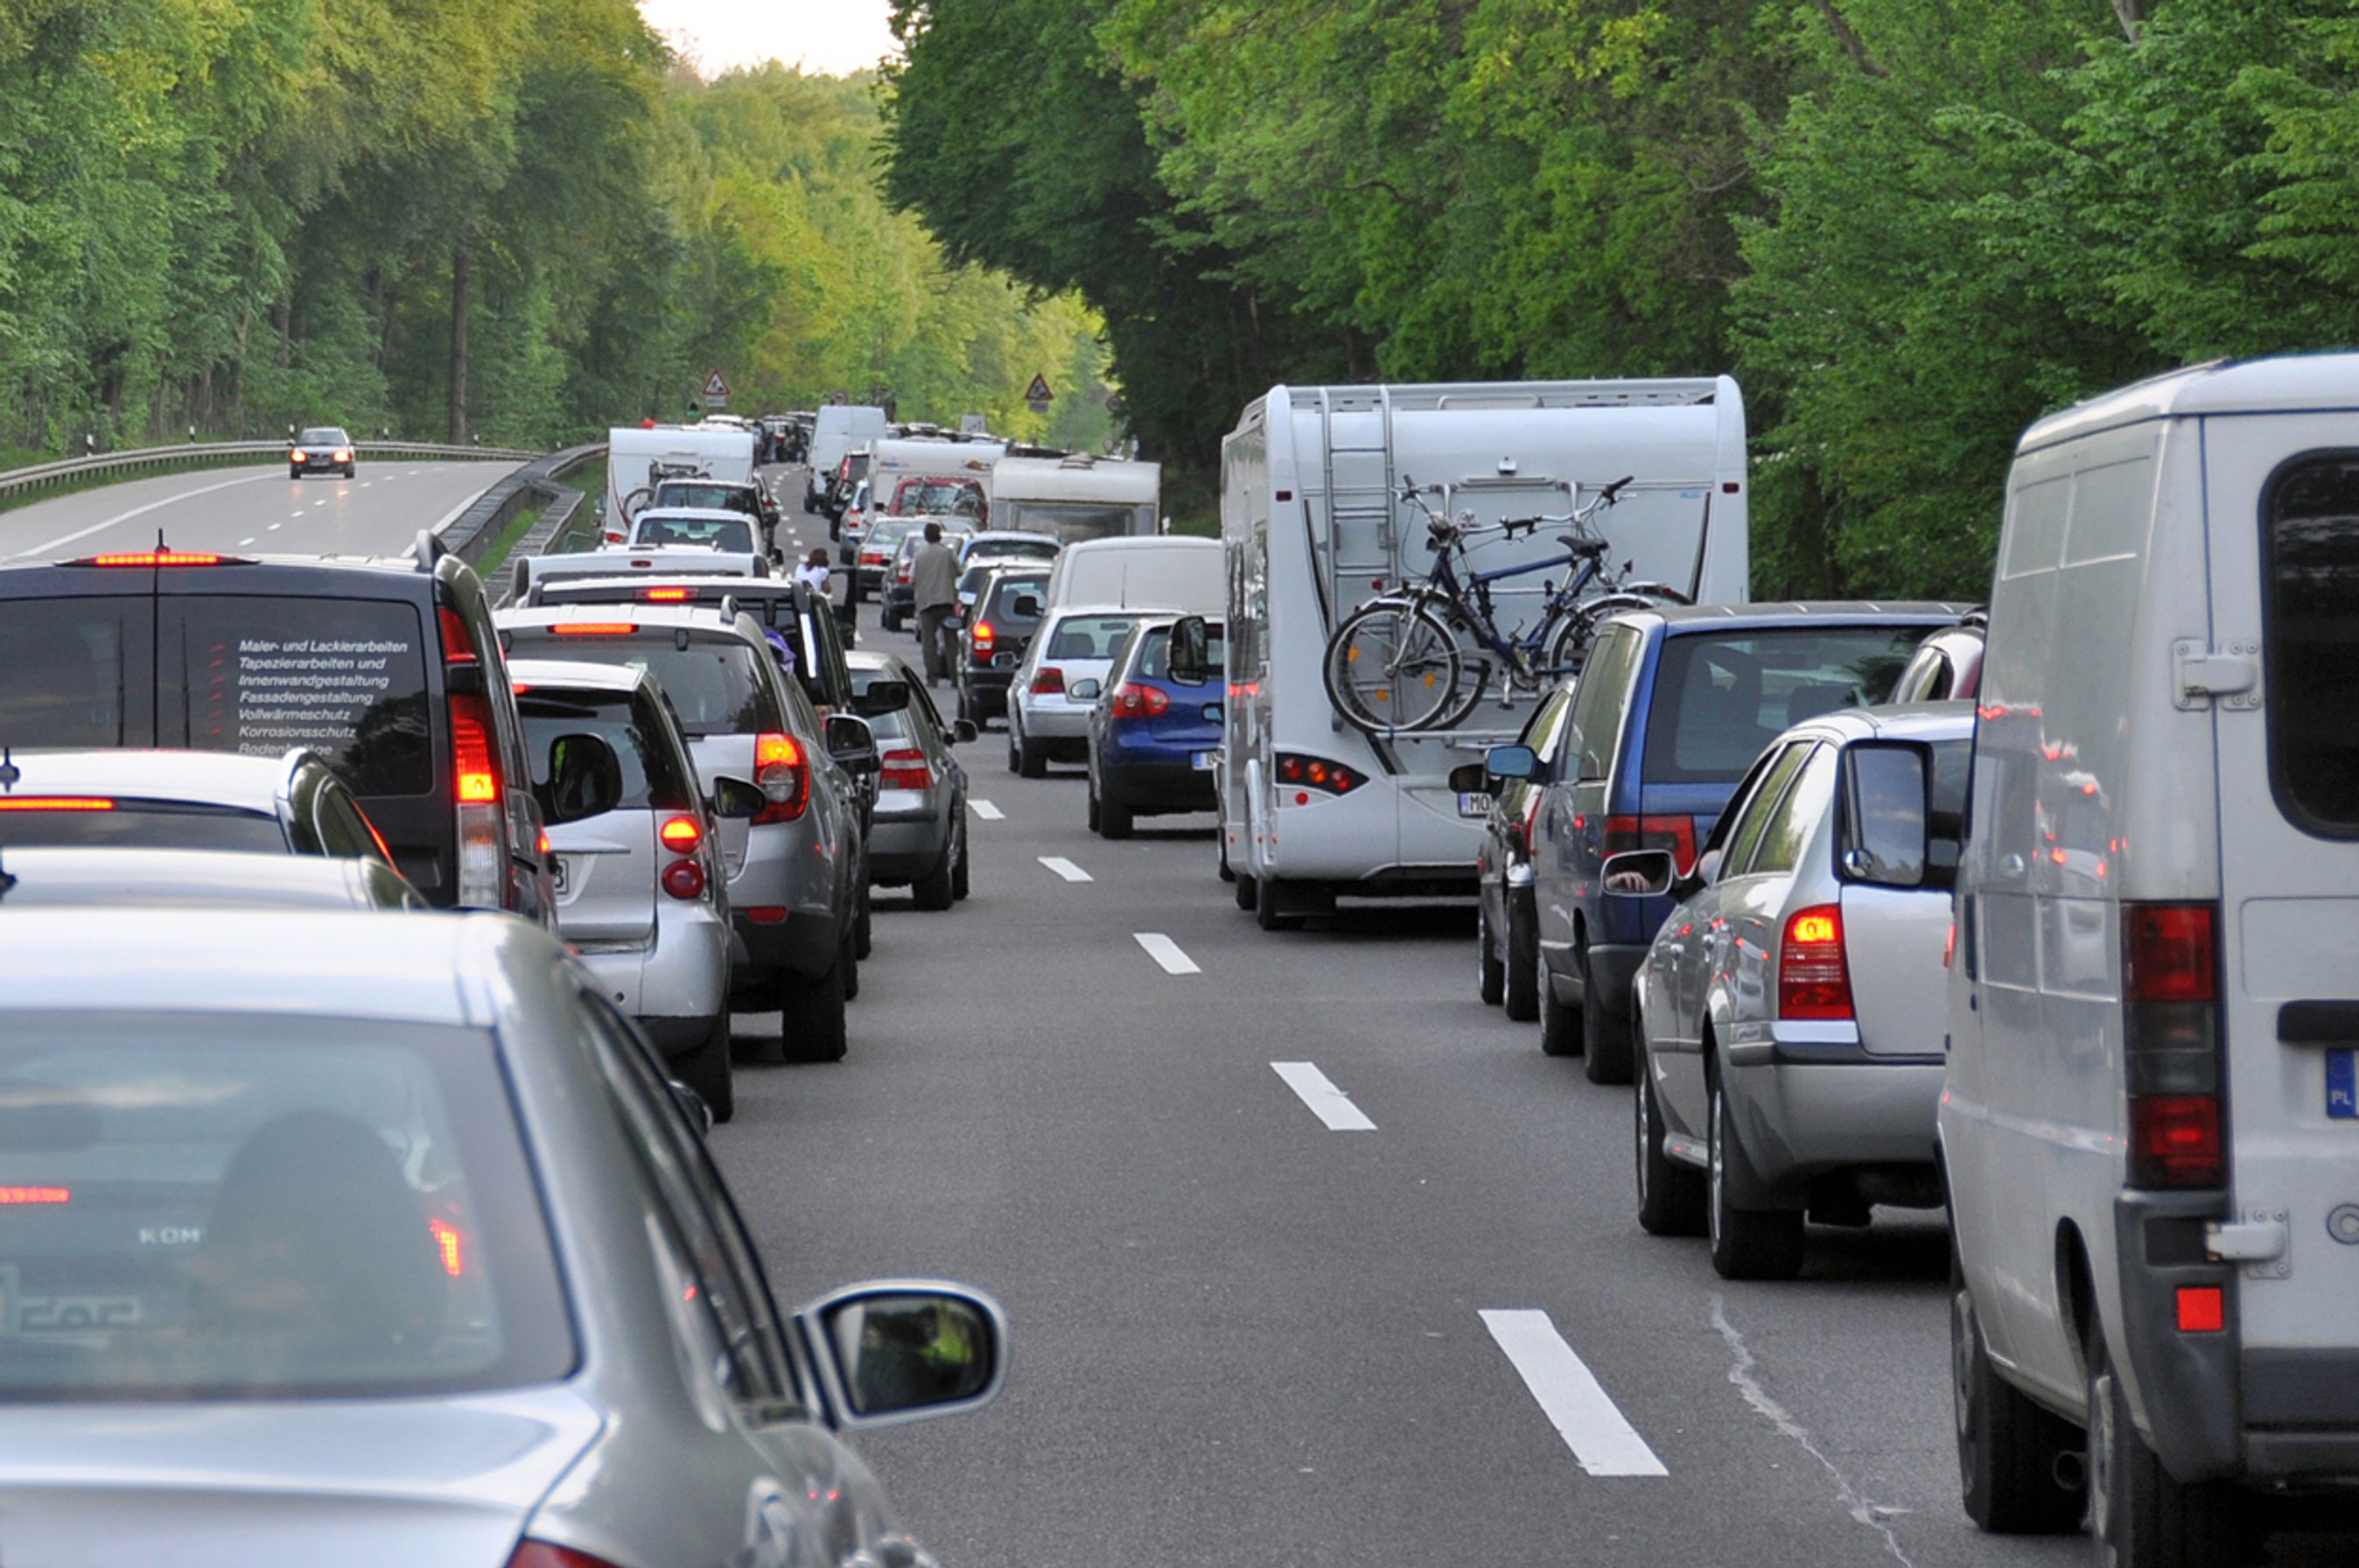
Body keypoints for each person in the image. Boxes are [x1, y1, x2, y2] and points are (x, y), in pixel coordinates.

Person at [909, 522, 962, 687]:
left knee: (929, 643)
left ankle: (932, 677)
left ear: (926, 537)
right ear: (940, 535)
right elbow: (959, 572)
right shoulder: (948, 553)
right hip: (946, 602)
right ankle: (954, 678)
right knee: (951, 642)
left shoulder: (919, 556)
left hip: (926, 604)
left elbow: (911, 579)